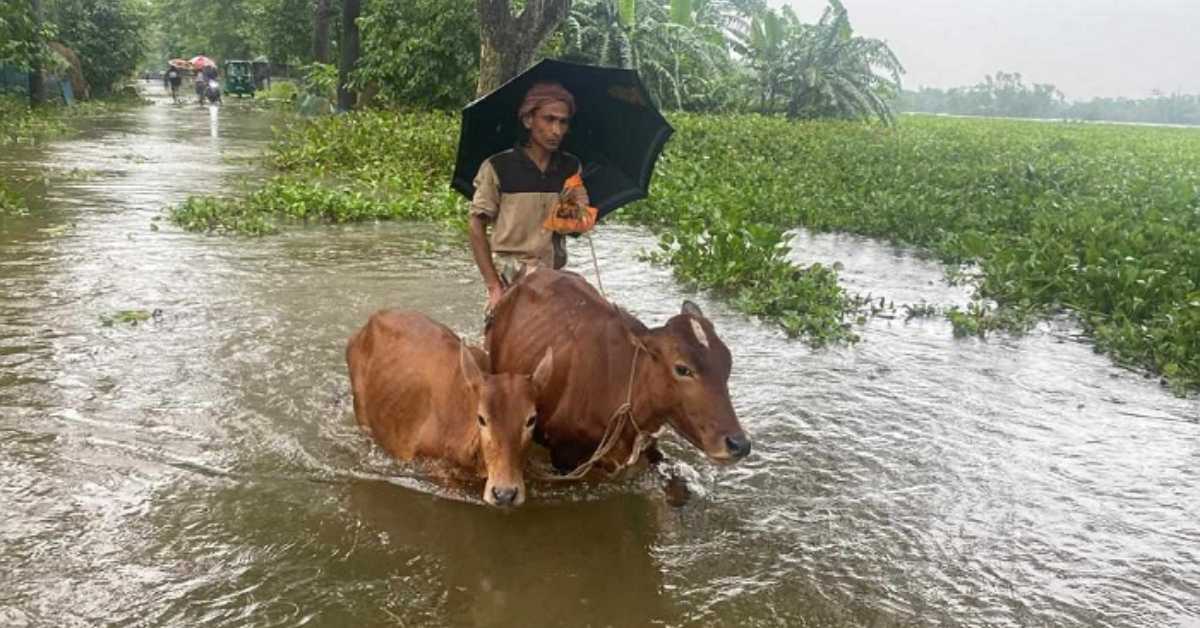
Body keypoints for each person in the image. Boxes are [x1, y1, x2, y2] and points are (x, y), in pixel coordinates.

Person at [469, 82, 596, 314]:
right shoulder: (498, 167)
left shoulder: (570, 166)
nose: (556, 130)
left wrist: (579, 207)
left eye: (563, 122)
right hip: (509, 270)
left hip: (552, 273)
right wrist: (493, 286)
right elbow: (476, 224)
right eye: (549, 119)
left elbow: (568, 228)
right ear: (528, 120)